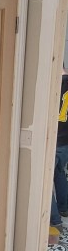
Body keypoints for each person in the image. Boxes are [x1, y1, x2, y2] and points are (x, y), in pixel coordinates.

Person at [51, 65, 68, 229]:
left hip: (53, 140)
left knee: (44, 180)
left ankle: (55, 220)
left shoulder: (53, 83)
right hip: (65, 143)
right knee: (59, 172)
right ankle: (64, 207)